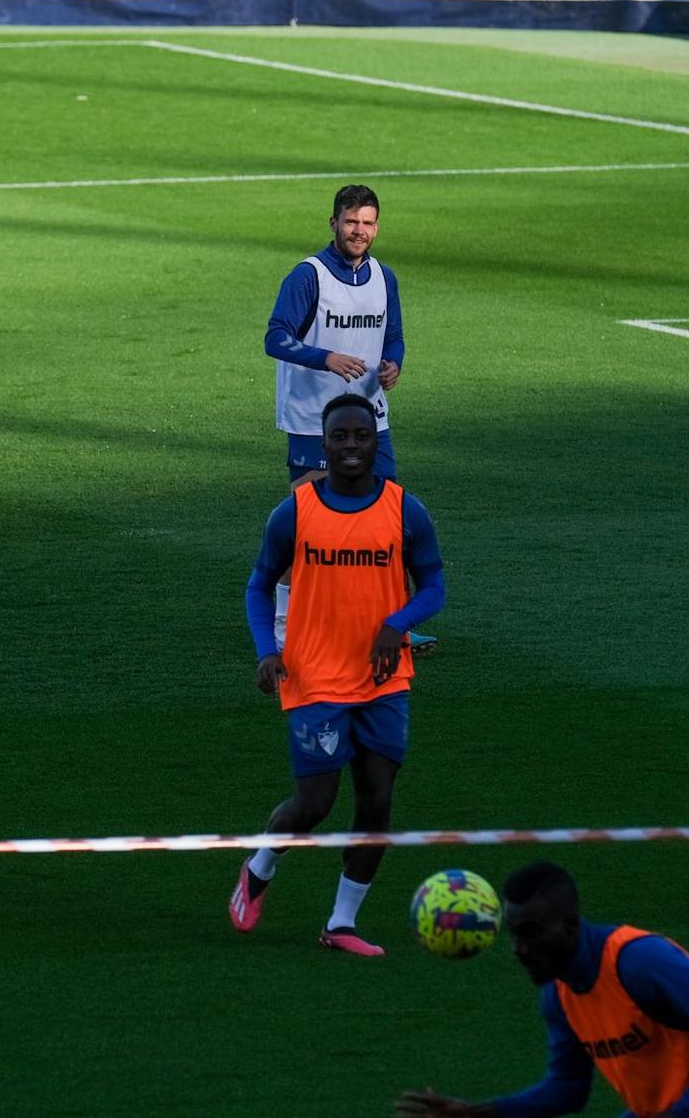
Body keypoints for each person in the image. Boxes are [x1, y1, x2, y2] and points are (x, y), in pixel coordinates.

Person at [228, 394, 445, 957]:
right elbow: (259, 583)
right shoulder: (296, 511)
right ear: (323, 445)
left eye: (361, 435)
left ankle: (341, 923)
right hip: (314, 678)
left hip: (383, 679)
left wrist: (395, 625)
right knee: (315, 803)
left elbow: (434, 587)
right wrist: (265, 650)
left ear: (377, 441)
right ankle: (260, 866)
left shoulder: (405, 510)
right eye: (340, 437)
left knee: (377, 803)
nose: (351, 445)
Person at [396, 862, 689, 1118]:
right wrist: (477, 1113)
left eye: (532, 935)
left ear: (569, 925)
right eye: (514, 936)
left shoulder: (637, 961)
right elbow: (569, 1089)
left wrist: (685, 1111)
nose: (520, 950)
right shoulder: (559, 996)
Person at [266, 185, 432, 652]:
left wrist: (393, 364)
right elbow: (275, 338)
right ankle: (283, 629)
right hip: (313, 422)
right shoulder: (307, 277)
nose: (360, 231)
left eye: (368, 223)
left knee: (387, 523)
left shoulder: (384, 277)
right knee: (306, 528)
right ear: (334, 223)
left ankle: (388, 624)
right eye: (351, 222)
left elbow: (393, 335)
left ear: (377, 227)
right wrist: (327, 359)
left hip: (371, 420)